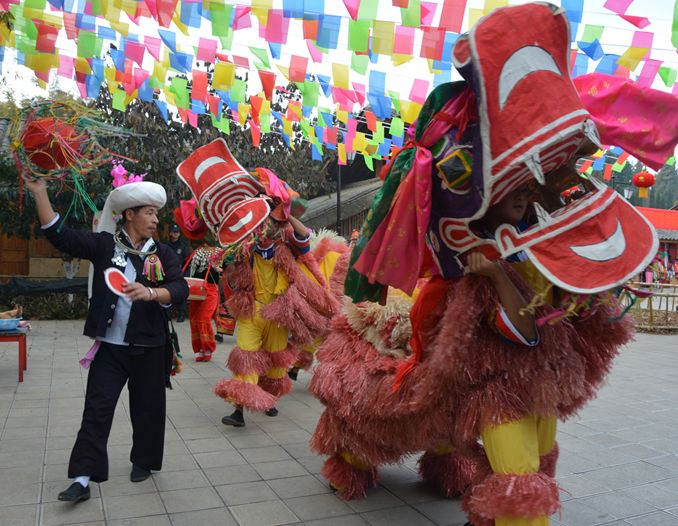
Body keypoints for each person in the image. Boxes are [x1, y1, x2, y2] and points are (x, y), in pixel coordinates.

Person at [24, 175, 188, 503]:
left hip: (151, 347)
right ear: (129, 214)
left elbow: (180, 289)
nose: (156, 219)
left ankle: (144, 460)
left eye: (157, 213)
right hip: (110, 349)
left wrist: (153, 292)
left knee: (149, 409)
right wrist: (40, 193)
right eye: (149, 213)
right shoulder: (103, 246)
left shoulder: (163, 254)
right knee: (96, 409)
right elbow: (60, 235)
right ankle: (83, 478)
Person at [186, 244, 222, 362]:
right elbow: (186, 267)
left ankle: (208, 348)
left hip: (211, 289)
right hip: (196, 289)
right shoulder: (197, 251)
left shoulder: (219, 252)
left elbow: (227, 270)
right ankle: (201, 348)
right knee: (194, 318)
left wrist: (219, 270)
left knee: (203, 318)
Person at [166, 224, 190, 322]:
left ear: (179, 234)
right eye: (174, 232)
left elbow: (187, 260)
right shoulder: (166, 246)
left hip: (180, 272)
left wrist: (185, 272)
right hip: (167, 272)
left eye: (177, 232)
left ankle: (181, 313)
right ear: (170, 233)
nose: (175, 234)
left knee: (180, 292)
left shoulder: (183, 246)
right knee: (167, 291)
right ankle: (168, 313)